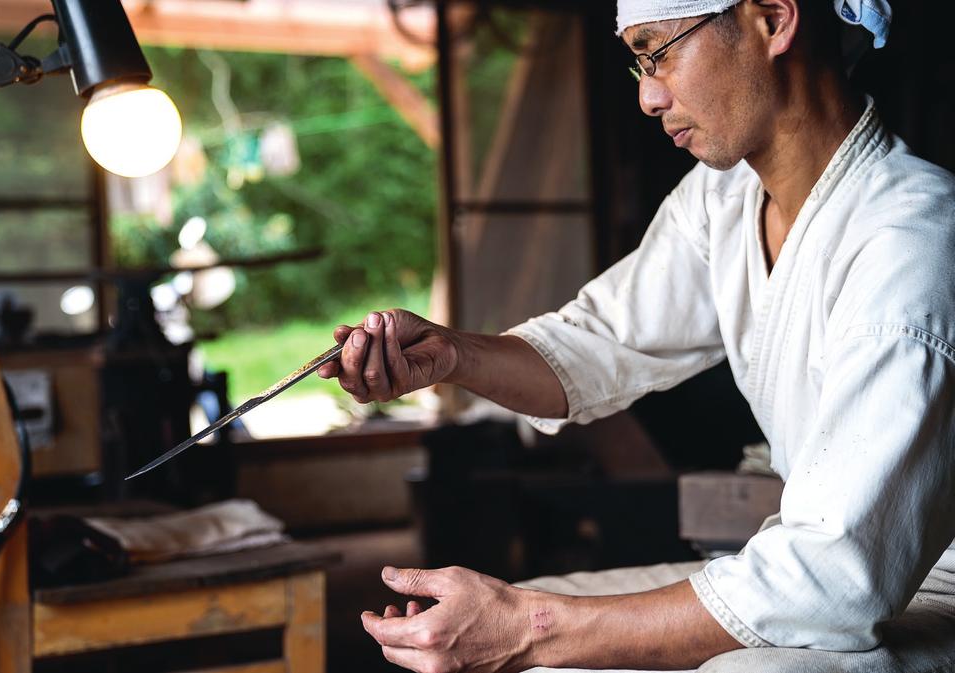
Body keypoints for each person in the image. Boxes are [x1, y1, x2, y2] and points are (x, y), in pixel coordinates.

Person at [317, 0, 955, 670]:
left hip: (922, 589)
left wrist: (530, 627)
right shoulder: (723, 203)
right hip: (819, 581)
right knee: (539, 625)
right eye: (637, 64)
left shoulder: (911, 245)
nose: (649, 96)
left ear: (773, 19)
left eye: (659, 51)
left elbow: (836, 576)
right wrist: (452, 354)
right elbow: (596, 346)